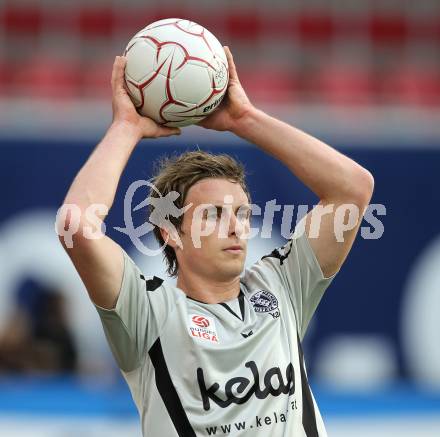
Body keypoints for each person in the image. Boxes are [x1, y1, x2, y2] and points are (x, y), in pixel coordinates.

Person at [58, 47, 374, 436]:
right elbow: (77, 226)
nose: (235, 227)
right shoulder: (148, 312)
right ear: (171, 232)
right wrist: (126, 127)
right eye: (213, 215)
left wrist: (246, 119)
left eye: (241, 214)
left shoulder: (282, 286)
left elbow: (352, 189)